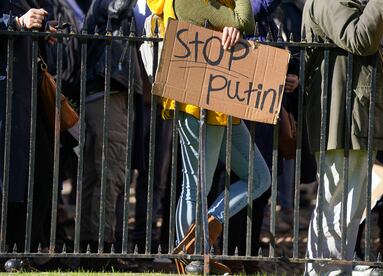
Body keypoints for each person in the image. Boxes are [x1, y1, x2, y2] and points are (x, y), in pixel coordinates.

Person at [147, 0, 271, 273]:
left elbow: (238, 25)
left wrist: (232, 30)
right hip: (196, 103)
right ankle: (192, 261)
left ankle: (204, 230)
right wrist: (233, 26)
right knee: (196, 186)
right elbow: (244, 21)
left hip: (222, 101)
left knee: (259, 178)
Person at [302, 0, 383, 274]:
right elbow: (360, 39)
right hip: (338, 117)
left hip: (351, 116)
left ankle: (333, 268)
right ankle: (325, 271)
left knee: (350, 206)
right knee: (337, 203)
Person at [80, 0, 143, 252]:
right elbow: (117, 8)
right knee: (110, 173)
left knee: (95, 176)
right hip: (109, 90)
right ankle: (100, 248)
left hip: (102, 89)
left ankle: (86, 244)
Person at [0, 0, 55, 253]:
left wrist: (45, 32)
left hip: (26, 94)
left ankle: (20, 248)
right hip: (5, 92)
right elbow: (13, 23)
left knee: (40, 170)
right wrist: (17, 22)